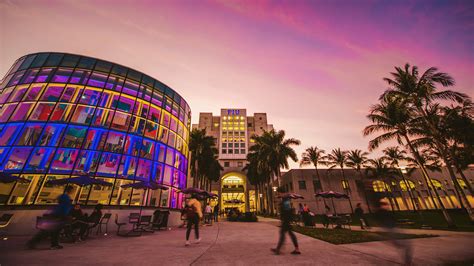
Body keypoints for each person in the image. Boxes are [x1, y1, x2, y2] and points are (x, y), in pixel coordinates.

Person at [27, 185, 74, 250]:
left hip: (56, 215)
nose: (73, 191)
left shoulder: (63, 197)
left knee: (52, 231)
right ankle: (34, 242)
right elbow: (64, 208)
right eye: (72, 190)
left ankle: (53, 244)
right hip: (58, 216)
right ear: (69, 190)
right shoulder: (66, 197)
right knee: (50, 231)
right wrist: (65, 215)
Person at [271, 188, 301, 255]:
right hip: (286, 220)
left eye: (279, 193)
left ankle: (278, 249)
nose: (278, 195)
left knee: (282, 234)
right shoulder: (285, 200)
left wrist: (285, 220)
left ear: (282, 193)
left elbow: (288, 211)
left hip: (286, 220)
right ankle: (296, 249)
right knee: (290, 234)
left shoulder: (286, 200)